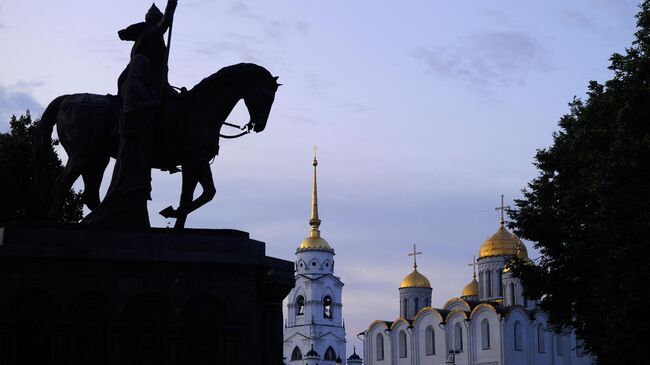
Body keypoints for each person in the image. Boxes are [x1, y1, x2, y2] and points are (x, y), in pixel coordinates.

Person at [83, 55, 157, 227]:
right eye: (143, 68)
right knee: (130, 180)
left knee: (140, 181)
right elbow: (129, 108)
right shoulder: (132, 84)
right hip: (132, 139)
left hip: (138, 139)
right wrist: (151, 104)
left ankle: (138, 218)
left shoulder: (140, 85)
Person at [116, 0, 177, 99]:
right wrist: (172, 3)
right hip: (149, 78)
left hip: (153, 77)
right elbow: (165, 21)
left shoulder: (143, 31)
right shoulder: (153, 31)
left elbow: (123, 34)